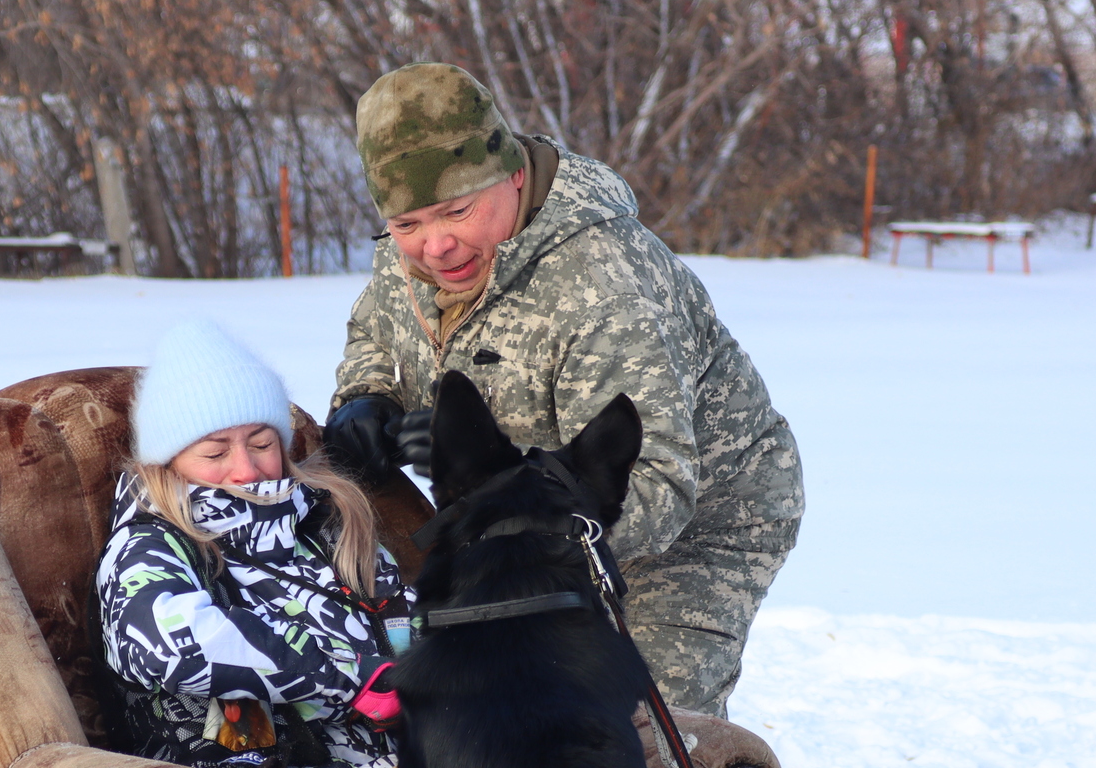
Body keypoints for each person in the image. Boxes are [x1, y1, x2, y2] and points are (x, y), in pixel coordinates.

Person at [323, 62, 804, 720]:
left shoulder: (600, 280)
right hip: (512, 532)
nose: (435, 244)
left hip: (693, 526)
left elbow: (657, 480)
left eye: (457, 211)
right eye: (407, 224)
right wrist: (366, 400)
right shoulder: (413, 251)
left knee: (636, 736)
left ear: (512, 174)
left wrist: (497, 494)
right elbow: (378, 331)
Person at [96, 320, 412, 768]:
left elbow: (406, 625)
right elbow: (172, 638)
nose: (246, 469)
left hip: (402, 766)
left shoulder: (328, 524)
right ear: (170, 461)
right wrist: (350, 677)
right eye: (215, 452)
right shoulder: (150, 545)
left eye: (262, 442)